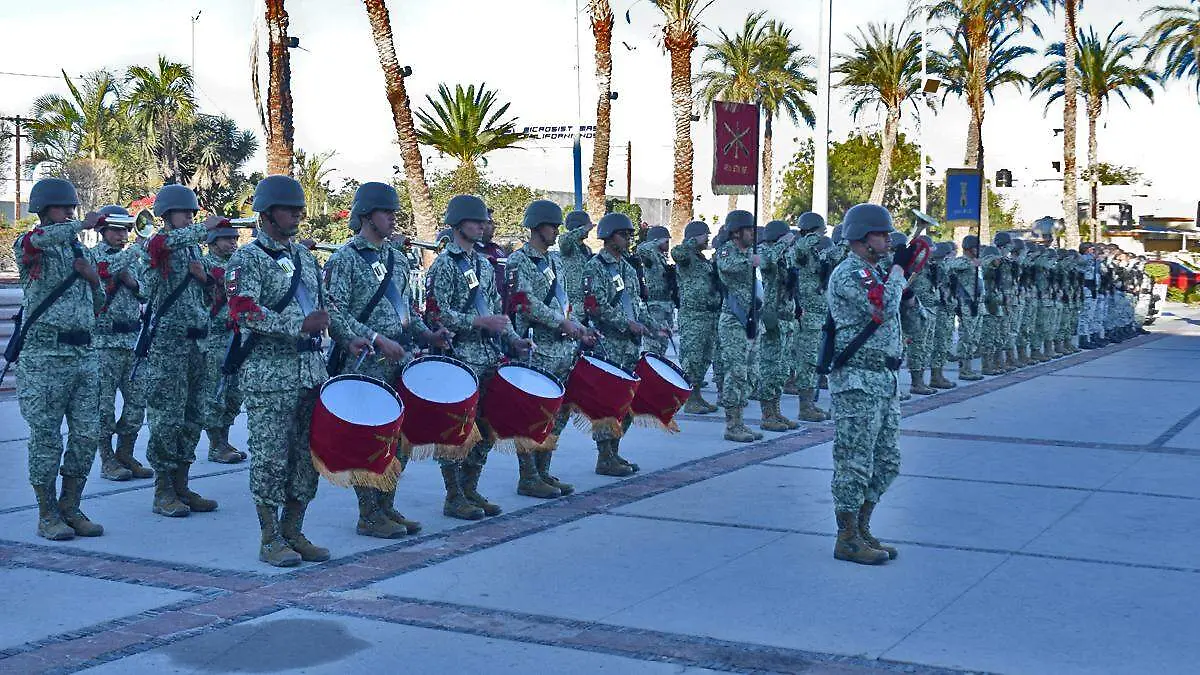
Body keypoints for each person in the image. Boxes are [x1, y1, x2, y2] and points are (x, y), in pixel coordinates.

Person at [227, 175, 357, 566]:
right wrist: (296, 325)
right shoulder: (246, 259)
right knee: (269, 458)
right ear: (267, 215)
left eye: (300, 208)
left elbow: (327, 308)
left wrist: (350, 338)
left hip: (310, 373)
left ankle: (294, 530)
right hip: (270, 376)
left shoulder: (304, 258)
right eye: (290, 209)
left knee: (306, 457)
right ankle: (270, 539)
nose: (299, 214)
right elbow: (243, 311)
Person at [325, 181, 446, 537]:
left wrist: (426, 333)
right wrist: (376, 339)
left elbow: (406, 309)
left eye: (394, 212)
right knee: (371, 438)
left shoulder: (397, 258)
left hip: (401, 361)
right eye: (386, 212)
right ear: (366, 215)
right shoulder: (344, 260)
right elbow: (335, 312)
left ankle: (387, 506)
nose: (393, 218)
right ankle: (368, 514)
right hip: (367, 364)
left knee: (400, 439)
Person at [426, 195, 531, 519]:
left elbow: (498, 313)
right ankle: (454, 495)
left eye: (483, 221)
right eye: (475, 221)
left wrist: (514, 340)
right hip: (461, 357)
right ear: (458, 225)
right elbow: (436, 313)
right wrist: (476, 322)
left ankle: (471, 487)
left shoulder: (484, 265)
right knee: (457, 429)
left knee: (486, 428)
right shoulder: (445, 264)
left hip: (488, 356)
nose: (482, 225)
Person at [13, 178, 106, 540]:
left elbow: (98, 307)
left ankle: (71, 506)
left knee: (86, 435)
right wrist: (79, 227)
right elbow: (38, 242)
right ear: (43, 210)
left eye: (72, 207)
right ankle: (47, 512)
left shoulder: (84, 253)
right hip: (45, 357)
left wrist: (94, 279)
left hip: (83, 356)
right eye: (62, 206)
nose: (70, 211)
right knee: (47, 438)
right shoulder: (31, 245)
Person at [825, 203, 910, 566]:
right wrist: (899, 273)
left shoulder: (875, 272)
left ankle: (862, 528)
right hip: (857, 380)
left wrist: (908, 281)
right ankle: (846, 537)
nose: (888, 239)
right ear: (861, 237)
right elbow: (883, 307)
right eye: (882, 233)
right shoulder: (850, 274)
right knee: (854, 462)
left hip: (883, 379)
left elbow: (900, 311)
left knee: (887, 461)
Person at [141, 184, 224, 518]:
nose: (189, 217)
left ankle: (181, 483)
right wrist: (202, 230)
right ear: (165, 216)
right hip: (168, 347)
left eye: (192, 213)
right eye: (183, 213)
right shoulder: (157, 244)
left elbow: (205, 298)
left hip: (197, 344)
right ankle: (163, 490)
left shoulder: (192, 252)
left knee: (193, 417)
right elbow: (161, 251)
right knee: (166, 419)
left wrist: (205, 279)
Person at [506, 199, 596, 496]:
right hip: (537, 348)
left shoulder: (555, 260)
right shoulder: (520, 260)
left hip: (562, 349)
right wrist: (561, 323)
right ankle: (528, 475)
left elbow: (563, 300)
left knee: (558, 414)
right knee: (532, 413)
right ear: (536, 226)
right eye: (552, 226)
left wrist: (576, 325)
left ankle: (543, 470)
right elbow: (524, 302)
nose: (557, 231)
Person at [581, 212, 659, 474]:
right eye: (623, 234)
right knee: (607, 401)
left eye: (629, 235)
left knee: (626, 402)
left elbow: (636, 303)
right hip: (608, 344)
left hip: (629, 346)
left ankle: (615, 451)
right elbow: (596, 307)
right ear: (608, 236)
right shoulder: (595, 267)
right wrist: (627, 324)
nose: (627, 239)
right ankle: (604, 456)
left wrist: (653, 325)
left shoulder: (628, 267)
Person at [92, 205, 154, 481]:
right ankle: (107, 459)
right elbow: (103, 273)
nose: (123, 236)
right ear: (103, 231)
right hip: (104, 342)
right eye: (116, 231)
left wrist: (134, 283)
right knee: (103, 406)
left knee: (137, 402)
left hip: (132, 341)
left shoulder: (133, 261)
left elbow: (146, 294)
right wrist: (133, 254)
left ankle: (125, 453)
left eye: (125, 230)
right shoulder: (94, 256)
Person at [715, 210, 763, 443]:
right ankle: (732, 424)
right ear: (736, 232)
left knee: (752, 372)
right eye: (748, 230)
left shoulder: (753, 252)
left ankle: (741, 420)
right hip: (734, 320)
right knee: (736, 372)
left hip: (754, 319)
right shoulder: (728, 250)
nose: (752, 234)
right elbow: (726, 265)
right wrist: (749, 261)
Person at [200, 224, 247, 465]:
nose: (232, 242)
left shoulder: (240, 264)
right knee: (216, 393)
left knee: (234, 394)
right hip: (216, 337)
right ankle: (215, 444)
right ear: (212, 241)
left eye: (234, 238)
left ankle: (224, 439)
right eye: (226, 238)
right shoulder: (206, 265)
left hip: (236, 336)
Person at [671, 220, 720, 414]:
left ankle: (697, 395)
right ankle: (690, 400)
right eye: (704, 235)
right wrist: (691, 241)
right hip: (693, 315)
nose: (707, 238)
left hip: (708, 315)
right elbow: (676, 253)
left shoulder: (702, 260)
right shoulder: (686, 256)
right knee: (692, 358)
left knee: (704, 357)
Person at [755, 220, 799, 431]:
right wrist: (783, 243)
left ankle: (776, 411)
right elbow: (765, 263)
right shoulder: (764, 250)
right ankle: (766, 415)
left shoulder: (785, 255)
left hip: (787, 318)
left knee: (781, 369)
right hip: (772, 319)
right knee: (770, 368)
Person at [789, 212, 831, 422]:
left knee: (812, 360)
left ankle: (809, 404)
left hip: (817, 314)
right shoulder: (801, 248)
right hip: (807, 314)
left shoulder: (814, 252)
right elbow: (801, 248)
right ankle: (805, 407)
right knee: (806, 361)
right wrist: (817, 235)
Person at [634, 225, 674, 357]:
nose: (668, 244)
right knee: (653, 346)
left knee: (663, 344)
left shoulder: (662, 258)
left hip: (666, 305)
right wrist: (656, 241)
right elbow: (641, 249)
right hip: (654, 305)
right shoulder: (651, 256)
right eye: (666, 241)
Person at [948, 236, 984, 381]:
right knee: (967, 337)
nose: (979, 251)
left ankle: (968, 367)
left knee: (974, 337)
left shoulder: (977, 262)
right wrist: (971, 263)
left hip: (978, 303)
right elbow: (952, 265)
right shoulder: (963, 261)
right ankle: (964, 369)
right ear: (969, 249)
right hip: (967, 304)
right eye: (976, 248)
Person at [557, 210, 594, 313]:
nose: (588, 231)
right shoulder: (568, 247)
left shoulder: (587, 249)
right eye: (586, 228)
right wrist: (583, 228)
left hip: (586, 302)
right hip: (571, 305)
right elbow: (564, 239)